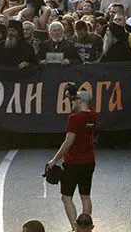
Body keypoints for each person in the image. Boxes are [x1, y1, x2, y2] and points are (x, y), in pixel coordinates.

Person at [47, 89, 97, 231]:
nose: (73, 102)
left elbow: (68, 142)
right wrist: (76, 93)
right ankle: (86, 227)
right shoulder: (93, 115)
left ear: (80, 101)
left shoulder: (74, 118)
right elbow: (87, 104)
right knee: (85, 196)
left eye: (75, 100)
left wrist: (54, 160)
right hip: (89, 161)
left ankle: (75, 228)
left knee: (66, 197)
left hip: (73, 163)